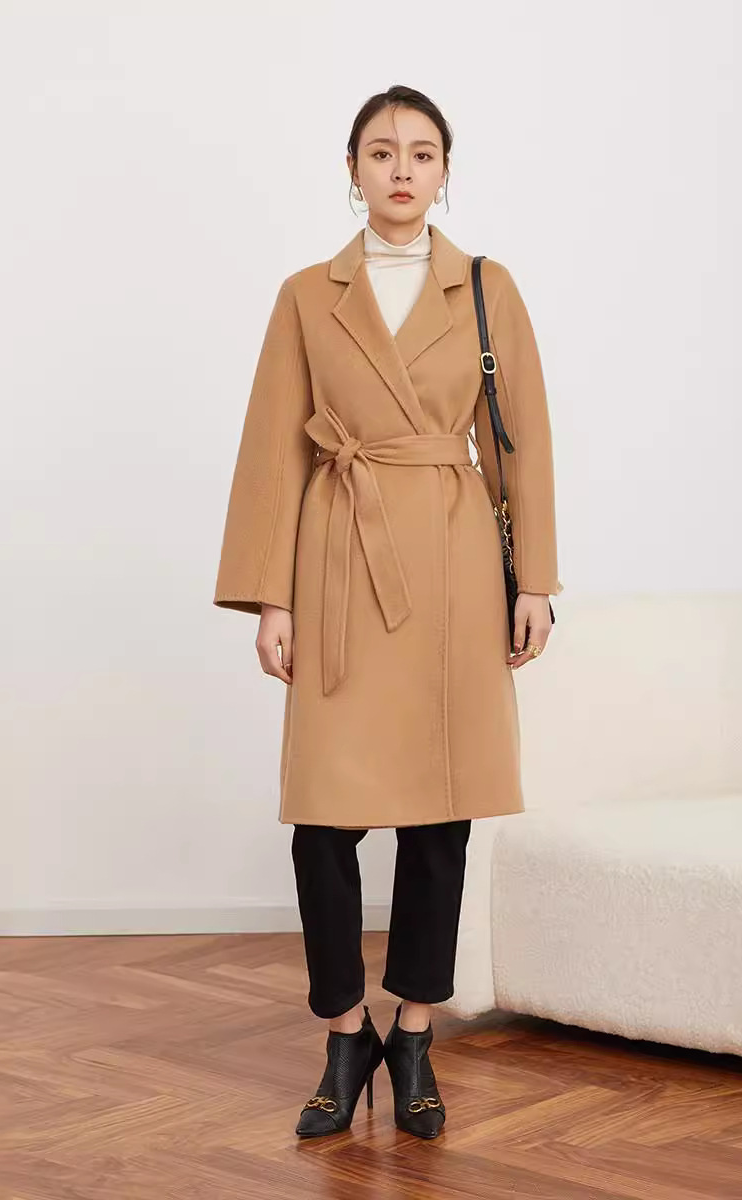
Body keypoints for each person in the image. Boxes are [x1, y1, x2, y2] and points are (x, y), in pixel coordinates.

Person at [213, 84, 561, 1139]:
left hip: (453, 564)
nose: (401, 169)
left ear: (445, 173)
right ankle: (343, 1028)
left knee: (439, 815)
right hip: (338, 561)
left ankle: (412, 1034)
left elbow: (520, 442)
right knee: (322, 821)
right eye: (381, 151)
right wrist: (271, 596)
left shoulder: (487, 288)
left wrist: (533, 582)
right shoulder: (305, 295)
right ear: (352, 170)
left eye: (421, 152)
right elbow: (275, 448)